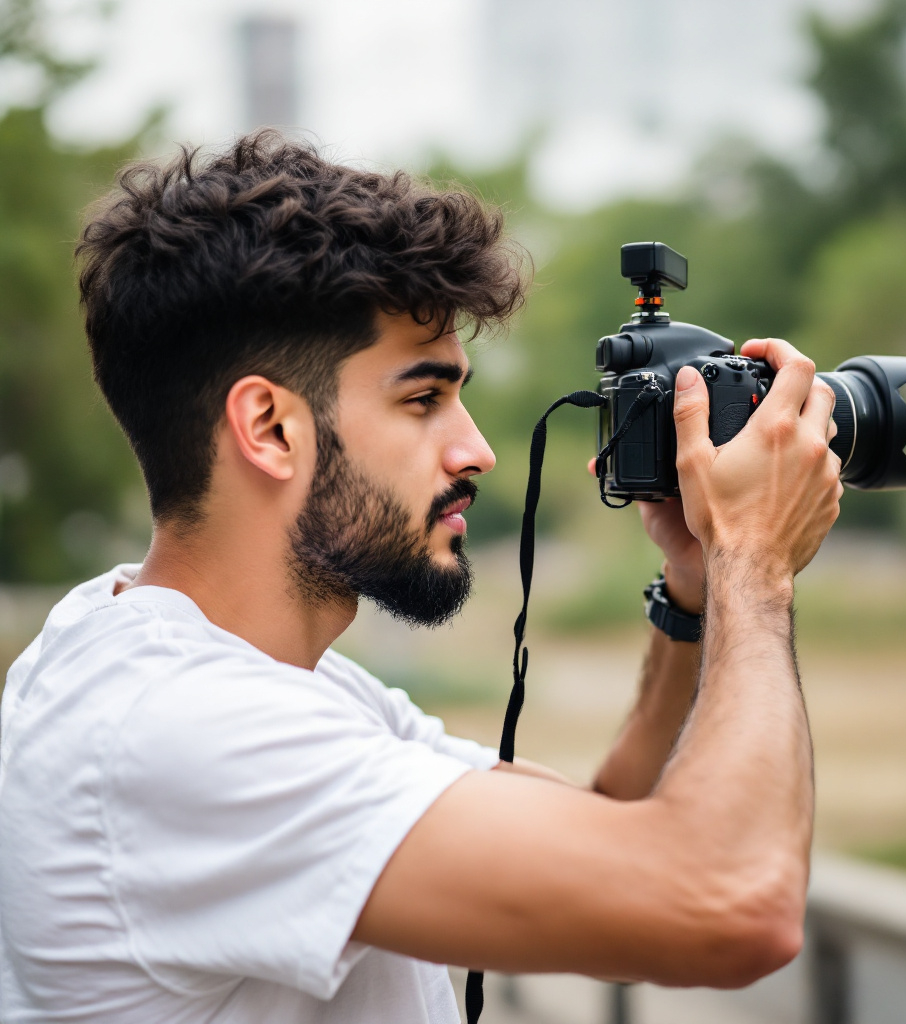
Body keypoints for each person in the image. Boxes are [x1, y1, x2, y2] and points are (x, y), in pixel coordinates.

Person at [0, 131, 842, 1024]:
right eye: (422, 398)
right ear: (271, 428)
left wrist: (699, 586)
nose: (474, 448)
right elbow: (731, 902)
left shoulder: (243, 677)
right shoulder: (178, 729)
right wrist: (756, 559)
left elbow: (609, 824)